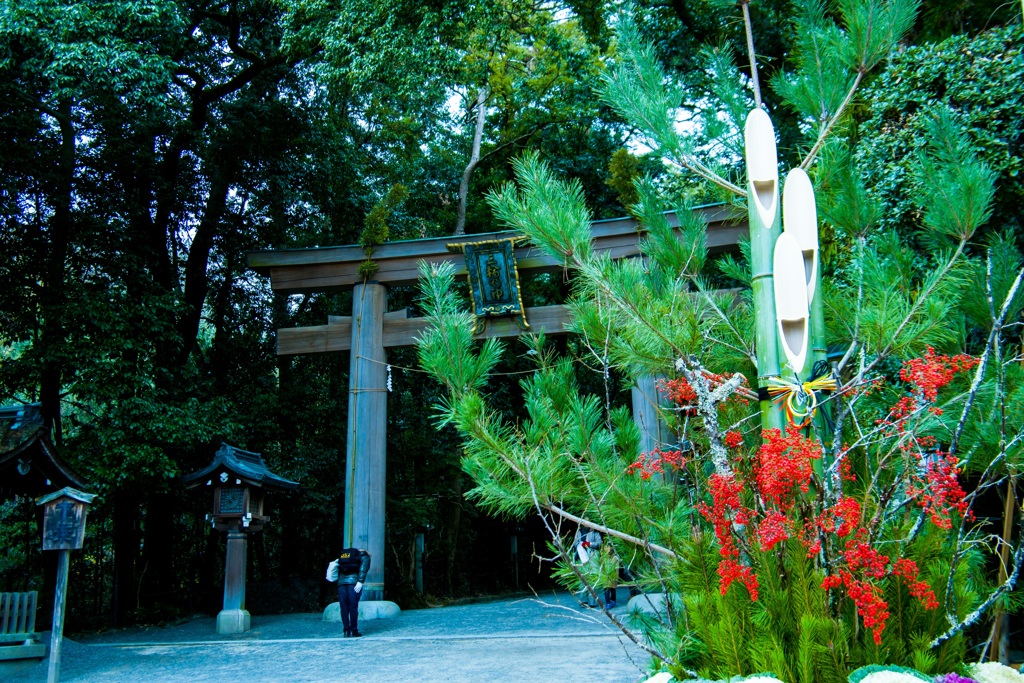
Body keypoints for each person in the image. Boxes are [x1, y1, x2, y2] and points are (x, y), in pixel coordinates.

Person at [335, 547, 371, 637]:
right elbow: (363, 569)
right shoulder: (365, 556)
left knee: (344, 608)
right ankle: (354, 630)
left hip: (341, 584)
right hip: (354, 583)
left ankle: (346, 631)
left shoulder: (345, 556)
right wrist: (360, 581)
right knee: (353, 608)